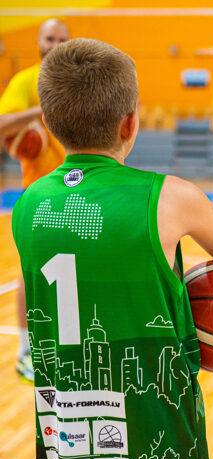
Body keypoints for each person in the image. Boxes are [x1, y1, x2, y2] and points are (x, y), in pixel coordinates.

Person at [12, 38, 213, 459]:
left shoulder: (27, 206)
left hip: (70, 437)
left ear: (49, 125)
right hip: (156, 434)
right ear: (132, 123)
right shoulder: (171, 198)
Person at [0, 18, 69, 382]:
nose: (55, 44)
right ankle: (26, 350)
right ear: (38, 41)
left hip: (80, 191)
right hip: (40, 192)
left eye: (62, 39)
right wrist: (37, 115)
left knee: (75, 269)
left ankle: (67, 345)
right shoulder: (27, 81)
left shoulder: (78, 83)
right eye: (49, 38)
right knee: (32, 270)